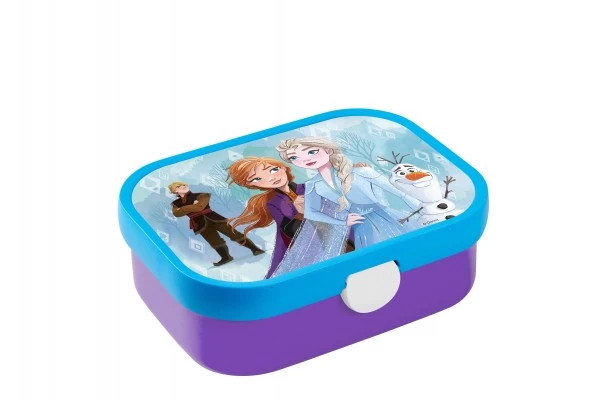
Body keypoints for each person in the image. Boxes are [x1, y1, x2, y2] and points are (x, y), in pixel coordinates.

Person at [271, 137, 420, 277]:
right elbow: (311, 213)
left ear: (328, 150)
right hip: (361, 228)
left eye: (312, 152)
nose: (306, 159)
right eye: (294, 158)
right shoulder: (312, 185)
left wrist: (422, 211)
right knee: (374, 265)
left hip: (386, 218)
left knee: (412, 251)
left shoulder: (361, 172)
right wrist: (342, 221)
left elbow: (400, 193)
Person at [168, 181, 264, 266]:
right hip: (199, 223)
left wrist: (183, 208)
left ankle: (255, 249)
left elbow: (199, 207)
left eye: (183, 185)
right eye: (178, 186)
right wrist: (191, 206)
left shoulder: (202, 195)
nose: (183, 186)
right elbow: (177, 214)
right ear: (174, 191)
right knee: (214, 241)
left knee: (234, 234)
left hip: (215, 219)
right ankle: (226, 257)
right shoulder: (176, 203)